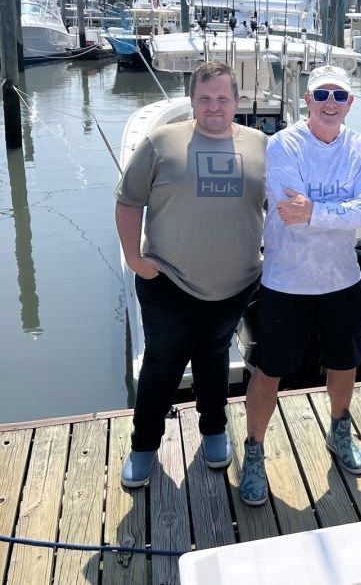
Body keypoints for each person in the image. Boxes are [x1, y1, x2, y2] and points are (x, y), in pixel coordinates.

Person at [115, 61, 268, 487]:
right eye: (205, 98)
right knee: (161, 366)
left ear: (237, 101)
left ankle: (214, 429)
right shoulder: (162, 141)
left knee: (216, 358)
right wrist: (134, 259)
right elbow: (128, 202)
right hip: (169, 282)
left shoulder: (261, 144)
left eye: (223, 98)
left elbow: (279, 206)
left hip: (236, 285)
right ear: (192, 100)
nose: (214, 107)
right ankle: (144, 445)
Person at [239, 63, 361, 506]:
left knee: (345, 361)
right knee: (270, 371)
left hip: (343, 280)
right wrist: (340, 208)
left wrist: (316, 210)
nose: (331, 104)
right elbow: (289, 216)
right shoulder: (283, 144)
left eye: (340, 96)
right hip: (286, 283)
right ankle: (254, 450)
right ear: (307, 101)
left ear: (350, 103)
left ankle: (340, 428)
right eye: (322, 95)